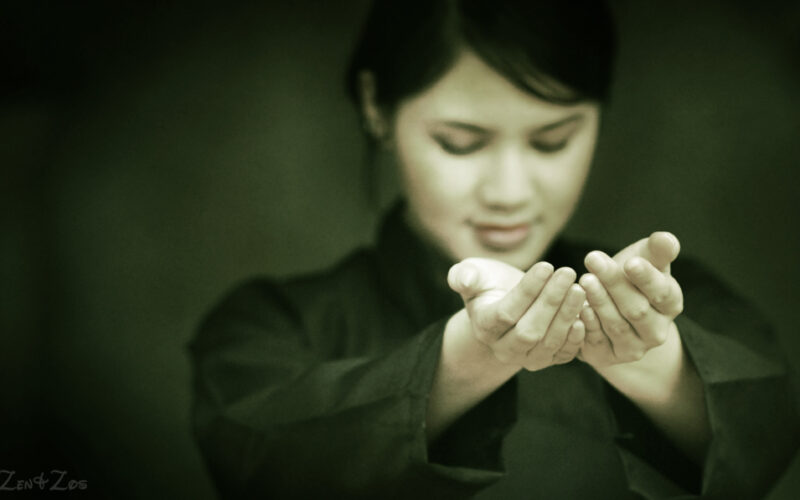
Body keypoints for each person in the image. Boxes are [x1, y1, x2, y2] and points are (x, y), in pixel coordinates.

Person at [189, 1, 799, 498]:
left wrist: (653, 360)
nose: (509, 192)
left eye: (552, 141)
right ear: (376, 107)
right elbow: (258, 457)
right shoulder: (272, 326)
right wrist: (467, 356)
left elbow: (772, 425)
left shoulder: (680, 301)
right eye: (461, 143)